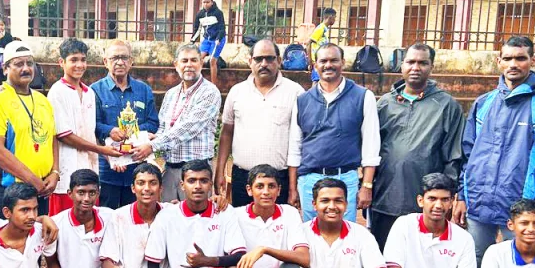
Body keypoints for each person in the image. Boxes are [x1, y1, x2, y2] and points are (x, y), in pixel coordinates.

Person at [455, 36, 535, 266]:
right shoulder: (484, 103)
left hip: (522, 206)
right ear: (499, 61)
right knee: (475, 262)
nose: (513, 64)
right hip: (479, 201)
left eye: (520, 58)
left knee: (520, 265)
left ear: (533, 60)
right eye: (507, 58)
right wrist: (462, 195)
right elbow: (467, 154)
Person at [370, 43, 464, 250]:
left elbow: (454, 155)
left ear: (431, 67)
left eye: (423, 63)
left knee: (422, 257)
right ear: (402, 65)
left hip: (425, 201)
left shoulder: (447, 106)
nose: (416, 67)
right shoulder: (385, 104)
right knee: (385, 257)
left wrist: (445, 197)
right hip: (385, 196)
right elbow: (371, 149)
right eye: (411, 62)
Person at [288, 43, 381, 222]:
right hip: (309, 182)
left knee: (344, 238)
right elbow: (295, 147)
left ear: (343, 63)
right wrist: (293, 188)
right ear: (315, 65)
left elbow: (371, 146)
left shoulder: (362, 97)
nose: (328, 65)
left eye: (334, 60)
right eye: (323, 61)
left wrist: (366, 186)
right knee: (311, 237)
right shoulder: (302, 100)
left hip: (346, 180)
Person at [215, 39, 304, 208]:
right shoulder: (237, 92)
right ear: (250, 62)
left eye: (270, 59)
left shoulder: (296, 92)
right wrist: (219, 171)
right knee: (242, 227)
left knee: (277, 229)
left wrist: (294, 186)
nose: (264, 64)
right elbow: (226, 133)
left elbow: (299, 141)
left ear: (279, 61)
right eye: (258, 59)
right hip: (243, 178)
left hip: (279, 179)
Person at [0, 41, 60, 217]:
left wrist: (55, 172)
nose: (26, 68)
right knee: (3, 243)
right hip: (6, 191)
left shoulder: (42, 100)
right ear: (5, 68)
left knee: (36, 242)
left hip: (40, 189)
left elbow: (52, 138)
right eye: (18, 64)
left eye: (29, 63)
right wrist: (32, 180)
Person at [131, 44, 221, 203]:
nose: (189, 65)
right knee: (170, 220)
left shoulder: (210, 92)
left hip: (196, 174)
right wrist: (149, 139)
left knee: (196, 222)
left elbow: (187, 128)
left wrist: (153, 146)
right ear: (176, 64)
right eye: (184, 60)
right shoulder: (171, 94)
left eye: (194, 60)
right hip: (170, 169)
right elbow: (164, 128)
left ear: (201, 62)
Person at [47, 38, 120, 215]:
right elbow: (64, 135)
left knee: (88, 222)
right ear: (61, 63)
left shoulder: (89, 92)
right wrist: (102, 150)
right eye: (74, 60)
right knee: (65, 225)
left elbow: (91, 131)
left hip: (89, 166)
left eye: (83, 59)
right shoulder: (57, 92)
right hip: (66, 169)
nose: (79, 65)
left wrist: (112, 158)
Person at [91, 41, 159, 209]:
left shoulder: (143, 90)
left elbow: (153, 123)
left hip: (137, 167)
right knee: (107, 218)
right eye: (114, 57)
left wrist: (133, 132)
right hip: (108, 166)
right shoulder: (94, 90)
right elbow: (92, 124)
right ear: (105, 62)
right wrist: (110, 130)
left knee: (136, 218)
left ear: (131, 61)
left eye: (124, 57)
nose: (120, 62)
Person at [190, 0, 227, 84]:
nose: (205, 4)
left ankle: (213, 85)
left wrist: (218, 38)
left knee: (212, 61)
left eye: (207, 2)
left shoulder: (218, 13)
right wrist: (192, 40)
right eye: (204, 2)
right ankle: (197, 82)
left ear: (211, 2)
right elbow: (197, 29)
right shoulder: (200, 14)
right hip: (207, 40)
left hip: (218, 40)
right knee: (198, 59)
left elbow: (222, 27)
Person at [308, 8, 336, 82]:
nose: (335, 20)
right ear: (330, 17)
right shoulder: (321, 28)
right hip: (317, 61)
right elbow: (309, 43)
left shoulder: (325, 29)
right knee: (316, 82)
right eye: (334, 17)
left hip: (321, 60)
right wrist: (310, 61)